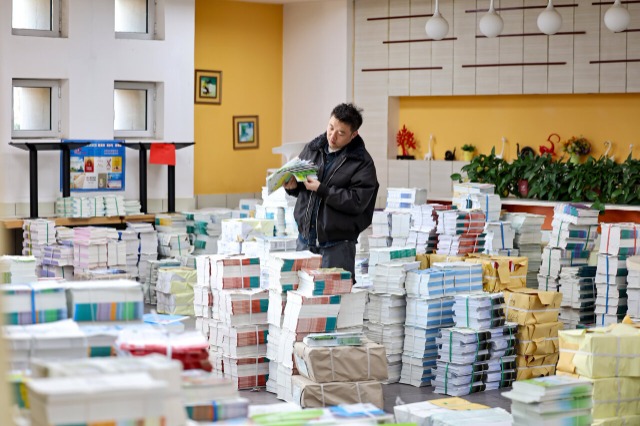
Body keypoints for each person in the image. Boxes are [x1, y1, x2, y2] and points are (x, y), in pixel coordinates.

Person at [284, 103, 379, 281]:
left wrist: (323, 190)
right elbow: (304, 189)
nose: (332, 136)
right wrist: (293, 187)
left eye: (341, 133)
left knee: (335, 297)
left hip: (337, 248)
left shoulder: (362, 163)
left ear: (353, 135)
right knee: (301, 295)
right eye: (330, 127)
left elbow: (357, 202)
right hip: (305, 242)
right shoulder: (312, 149)